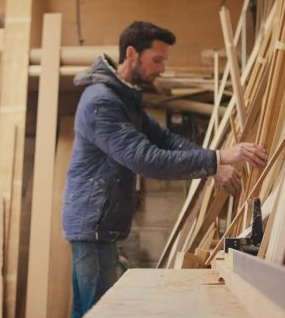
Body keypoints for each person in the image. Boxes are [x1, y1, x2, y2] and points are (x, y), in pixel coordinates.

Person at [61, 21, 267, 317]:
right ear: (132, 53)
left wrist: (213, 165)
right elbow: (147, 159)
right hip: (93, 224)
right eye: (156, 60)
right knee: (99, 311)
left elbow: (166, 140)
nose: (161, 68)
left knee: (87, 310)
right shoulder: (102, 102)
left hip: (99, 223)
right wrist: (218, 158)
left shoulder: (123, 97)